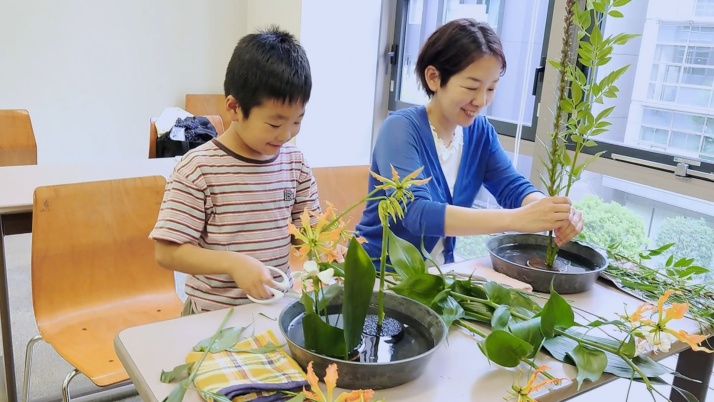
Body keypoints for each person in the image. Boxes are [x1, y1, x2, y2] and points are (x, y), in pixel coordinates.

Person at [355, 18, 583, 266]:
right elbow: (416, 213)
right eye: (471, 86)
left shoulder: (480, 133)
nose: (481, 100)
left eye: (491, 89)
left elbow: (512, 187)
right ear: (434, 77)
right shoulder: (400, 129)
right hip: (378, 278)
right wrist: (517, 219)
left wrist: (551, 211)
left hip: (436, 276)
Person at [150, 26, 320, 313]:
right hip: (213, 314)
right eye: (275, 124)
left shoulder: (296, 164)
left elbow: (308, 232)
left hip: (275, 307)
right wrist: (234, 263)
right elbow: (166, 252)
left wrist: (332, 244)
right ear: (234, 107)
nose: (286, 134)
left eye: (297, 121)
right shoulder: (198, 170)